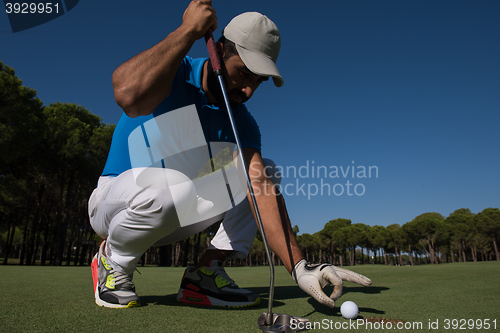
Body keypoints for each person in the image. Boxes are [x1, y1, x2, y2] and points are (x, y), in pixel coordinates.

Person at [88, 0, 371, 309]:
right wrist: (187, 30)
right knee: (174, 188)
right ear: (219, 51)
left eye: (258, 81)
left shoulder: (243, 124)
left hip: (173, 209)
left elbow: (259, 187)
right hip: (115, 205)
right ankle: (112, 261)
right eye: (244, 73)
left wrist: (299, 266)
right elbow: (127, 95)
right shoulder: (174, 74)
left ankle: (204, 273)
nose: (248, 90)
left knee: (266, 173)